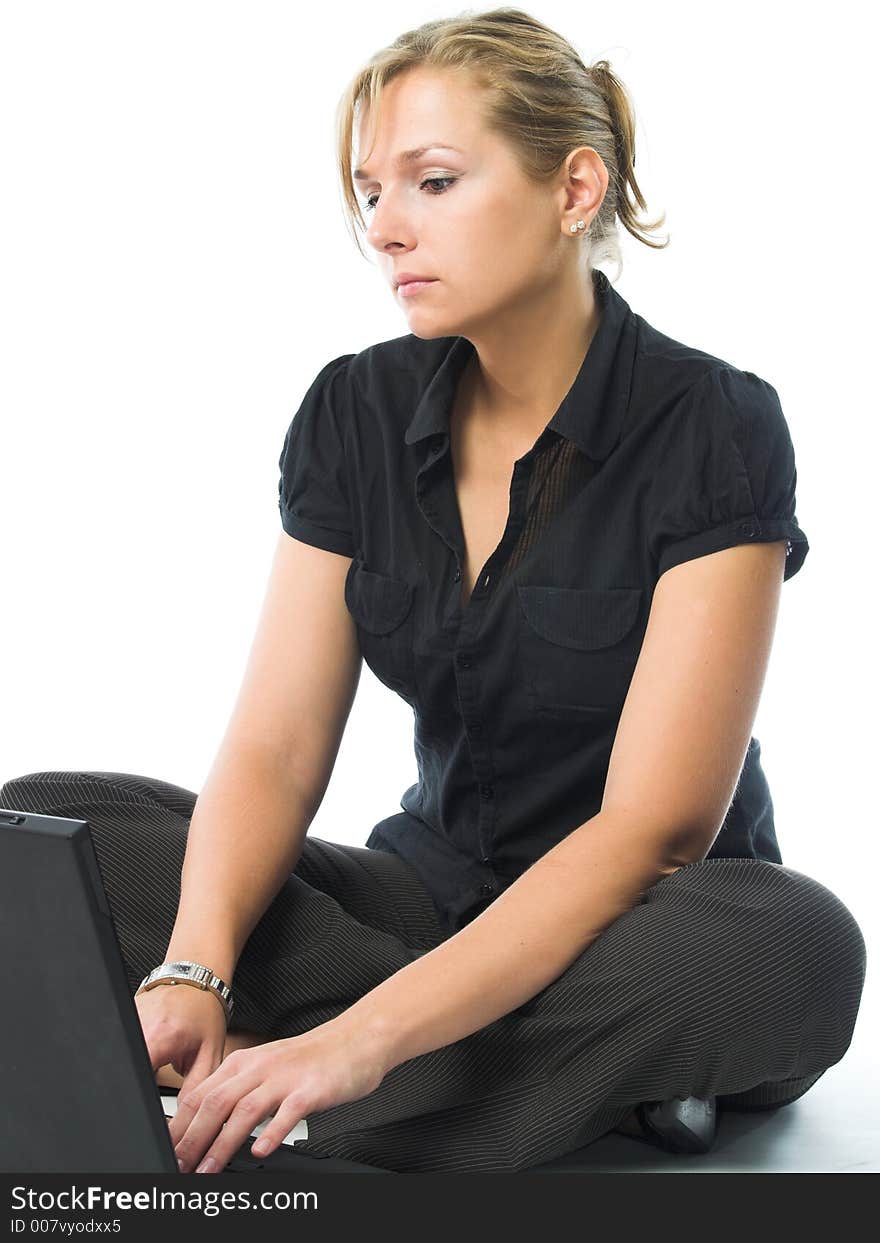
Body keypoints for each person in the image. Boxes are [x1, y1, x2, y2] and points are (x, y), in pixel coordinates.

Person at [1, 7, 866, 1176]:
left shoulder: (712, 425)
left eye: (434, 181)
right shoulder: (352, 410)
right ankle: (556, 1085)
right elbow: (275, 742)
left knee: (794, 942)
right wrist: (195, 967)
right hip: (421, 903)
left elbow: (652, 835)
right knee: (57, 815)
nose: (385, 228)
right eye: (371, 192)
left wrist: (355, 1041)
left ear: (574, 189)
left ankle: (327, 1085)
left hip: (649, 929)